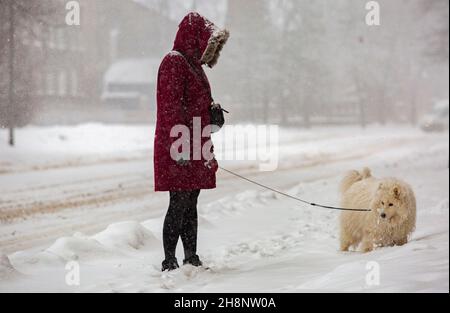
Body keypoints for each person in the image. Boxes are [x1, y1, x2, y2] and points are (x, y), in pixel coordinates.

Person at [154, 12, 229, 272]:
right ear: (195, 38)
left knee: (192, 200)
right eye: (208, 43)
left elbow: (197, 107)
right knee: (179, 201)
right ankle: (169, 261)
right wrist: (180, 146)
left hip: (196, 141)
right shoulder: (174, 62)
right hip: (180, 145)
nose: (209, 50)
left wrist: (213, 117)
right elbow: (171, 109)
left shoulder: (194, 67)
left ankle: (191, 257)